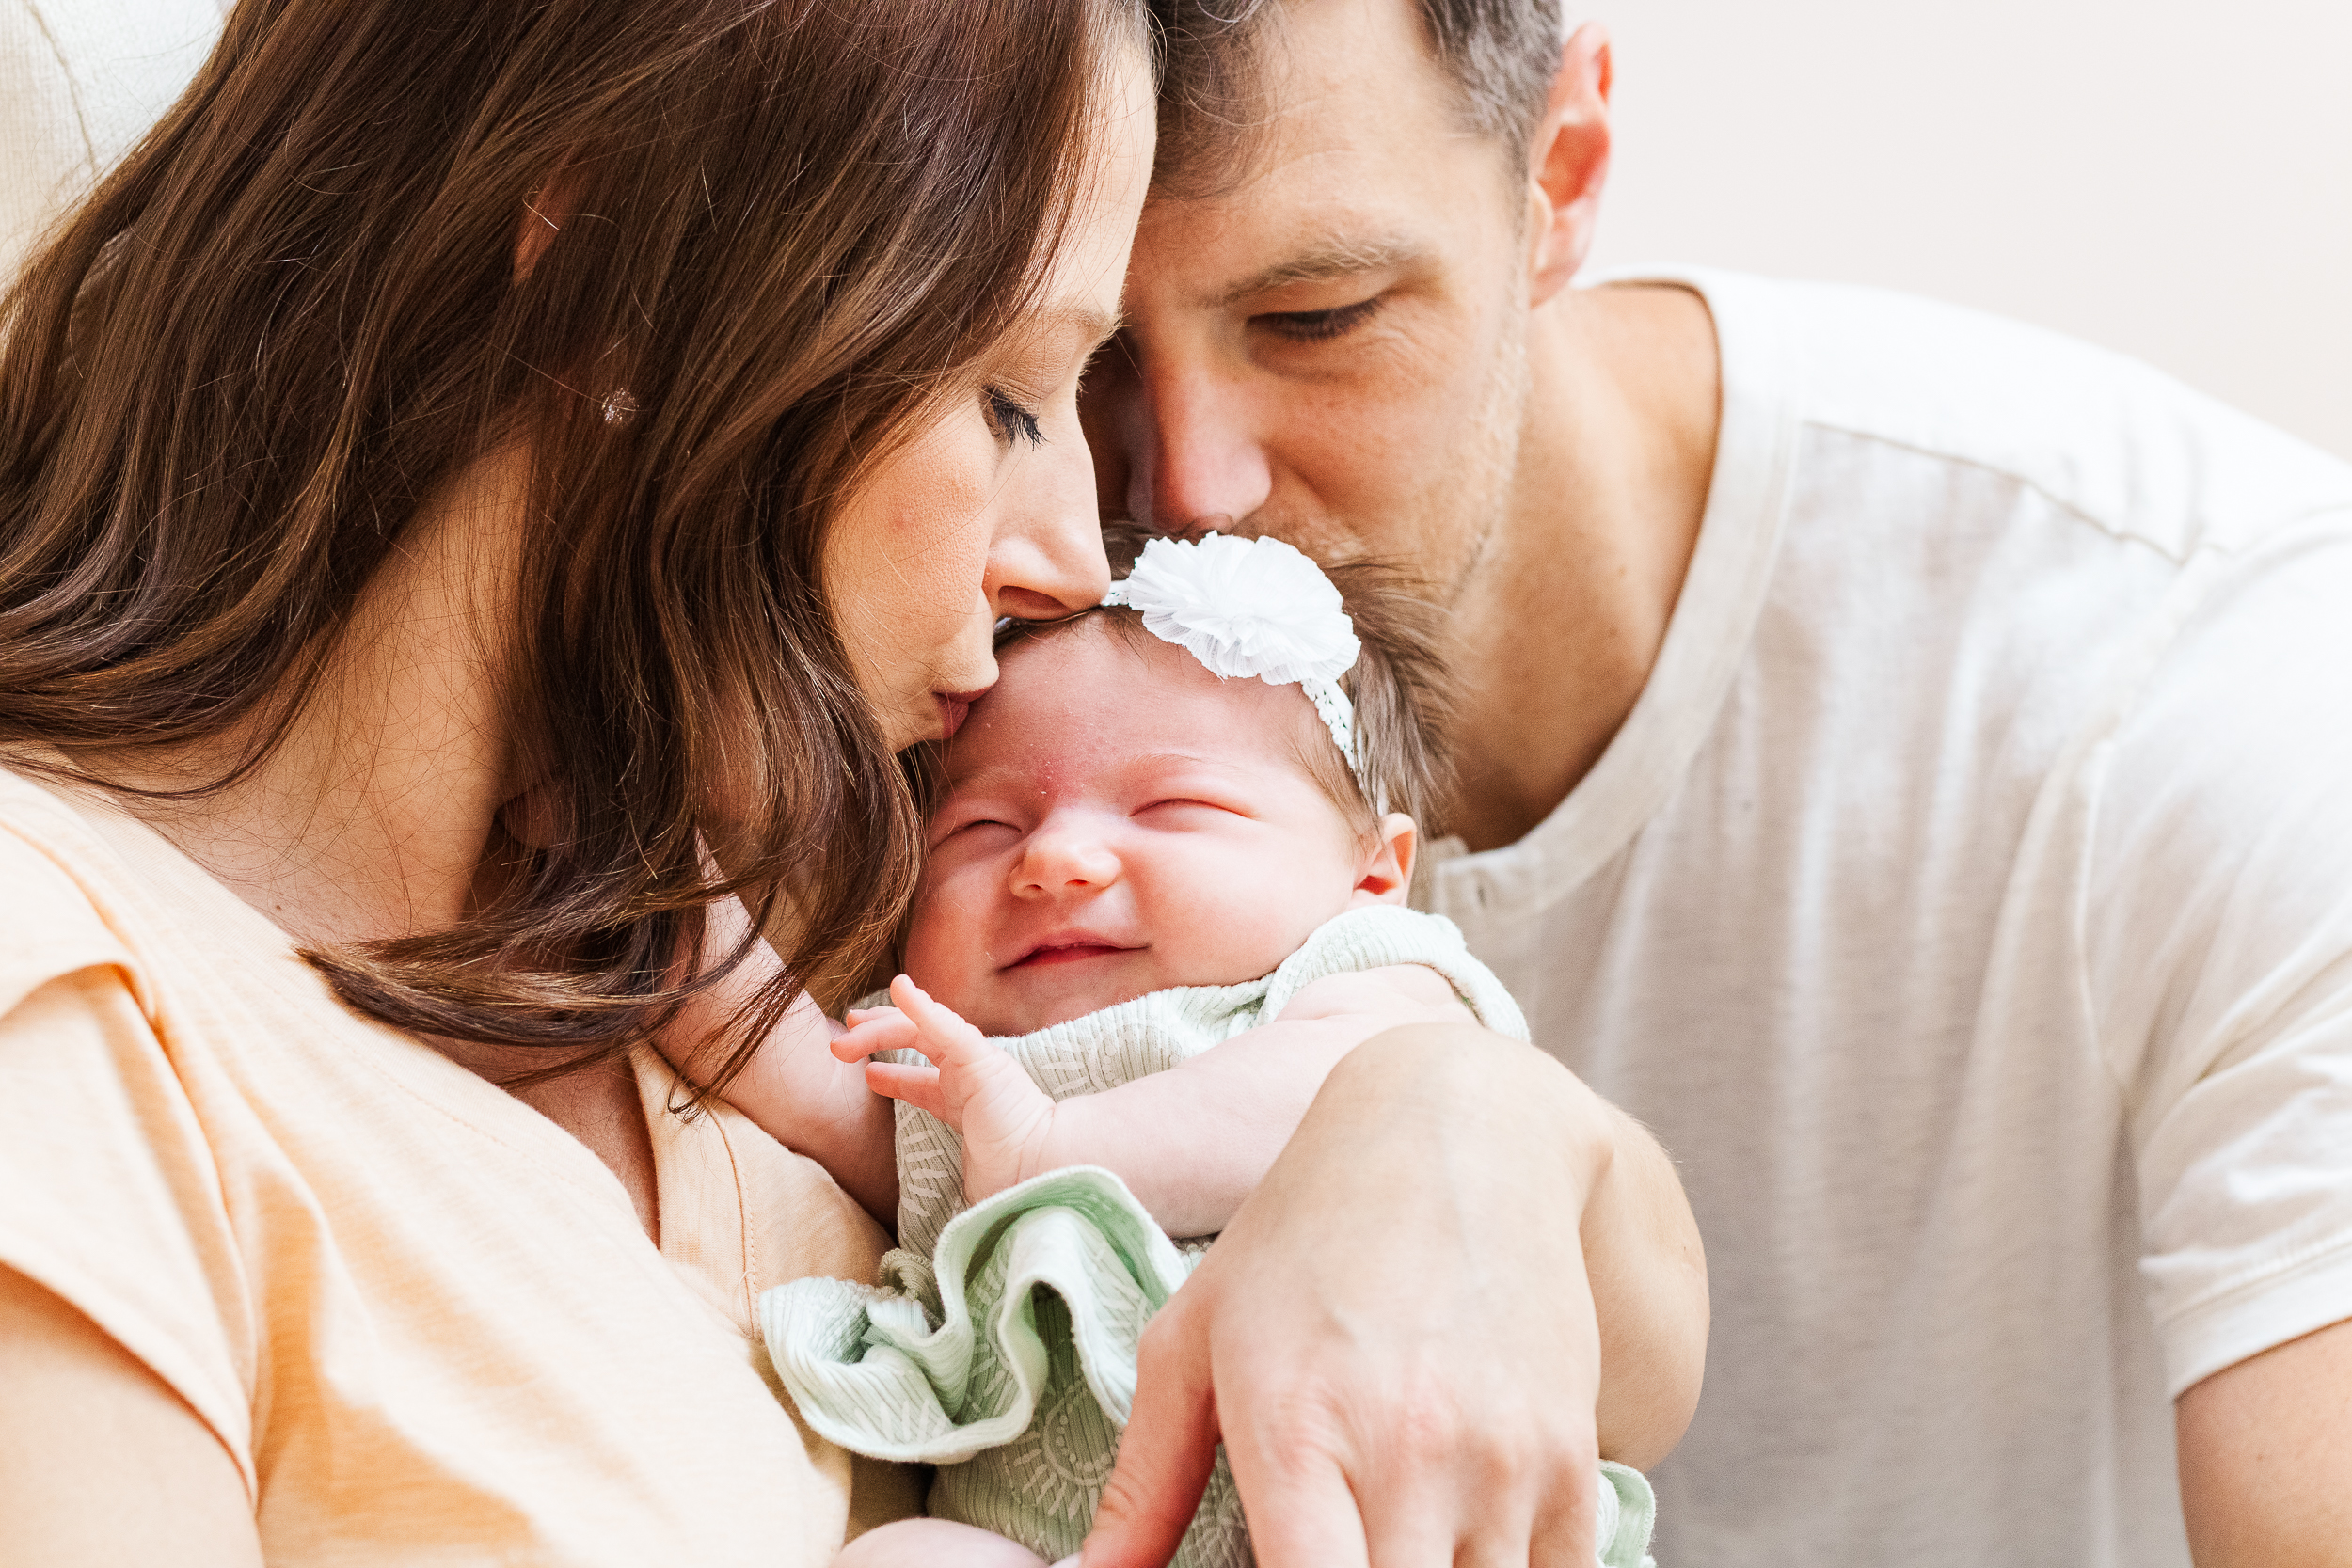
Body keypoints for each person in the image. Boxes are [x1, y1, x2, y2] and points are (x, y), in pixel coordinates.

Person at [0, 3, 1705, 1566]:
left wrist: (1446, 1112)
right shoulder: (79, 1007)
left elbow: (1646, 1328)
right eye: (1010, 395)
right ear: (622, 283)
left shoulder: (795, 894)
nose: (1081, 551)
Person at [1075, 1, 2352, 1565]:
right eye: (1078, 355)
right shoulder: (932, 641)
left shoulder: (2210, 685)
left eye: (1319, 317)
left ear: (1566, 170)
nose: (1186, 489)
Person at [740, 534, 1673, 1568]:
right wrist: (664, 946)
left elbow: (1346, 1098)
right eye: (982, 828)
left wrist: (1057, 1135)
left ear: (1373, 871)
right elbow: (807, 1074)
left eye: (1172, 807)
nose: (1054, 858)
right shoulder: (967, 1058)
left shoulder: (1358, 983)